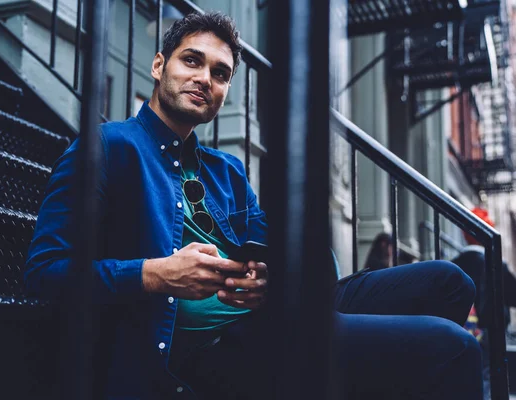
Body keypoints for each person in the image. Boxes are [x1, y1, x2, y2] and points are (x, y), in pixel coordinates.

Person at [26, 11, 482, 400]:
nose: (205, 78)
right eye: (192, 61)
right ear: (159, 66)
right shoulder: (109, 147)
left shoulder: (226, 170)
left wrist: (271, 277)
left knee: (450, 282)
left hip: (278, 309)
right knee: (455, 348)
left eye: (220, 73)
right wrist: (154, 273)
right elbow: (45, 274)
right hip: (219, 347)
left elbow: (298, 256)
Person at [451, 207, 516, 400]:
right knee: (487, 375)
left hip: (462, 327)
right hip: (490, 328)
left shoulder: (455, 263)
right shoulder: (495, 262)